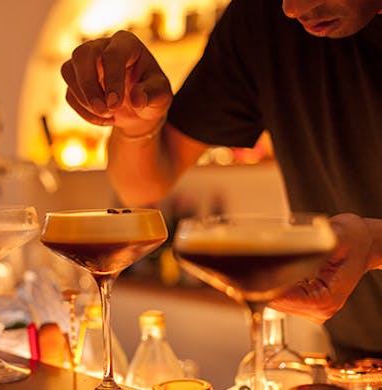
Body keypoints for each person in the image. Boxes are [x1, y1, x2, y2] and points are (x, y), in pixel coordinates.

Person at [61, 0, 382, 362]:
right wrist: (136, 118)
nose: (291, 8)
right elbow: (144, 184)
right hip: (355, 361)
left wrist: (373, 245)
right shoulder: (262, 17)